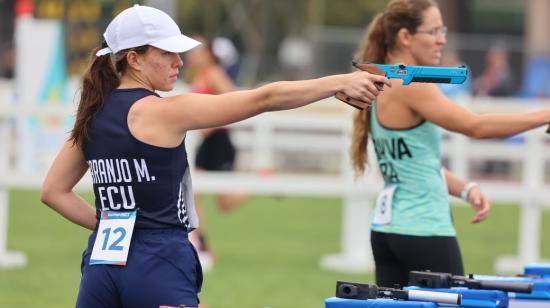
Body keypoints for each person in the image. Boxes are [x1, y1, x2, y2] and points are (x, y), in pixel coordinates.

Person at [39, 5, 389, 308]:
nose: (180, 62)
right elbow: (262, 99)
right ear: (134, 59)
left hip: (102, 263)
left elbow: (53, 191)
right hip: (158, 258)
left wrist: (108, 225)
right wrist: (338, 82)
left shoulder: (92, 115)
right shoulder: (163, 112)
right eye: (168, 53)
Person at [350, 0, 550, 288]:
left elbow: (414, 165)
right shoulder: (411, 84)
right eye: (433, 32)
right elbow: (476, 126)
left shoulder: (383, 81)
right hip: (424, 230)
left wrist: (465, 189)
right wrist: (545, 113)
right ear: (406, 37)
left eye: (442, 30)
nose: (442, 39)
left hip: (386, 231)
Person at [183, 35, 246, 269]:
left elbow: (235, 99)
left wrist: (211, 124)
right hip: (206, 146)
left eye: (198, 51)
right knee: (191, 193)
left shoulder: (214, 74)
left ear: (209, 54)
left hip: (220, 143)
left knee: (224, 203)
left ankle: (262, 184)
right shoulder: (199, 76)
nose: (192, 55)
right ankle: (202, 246)